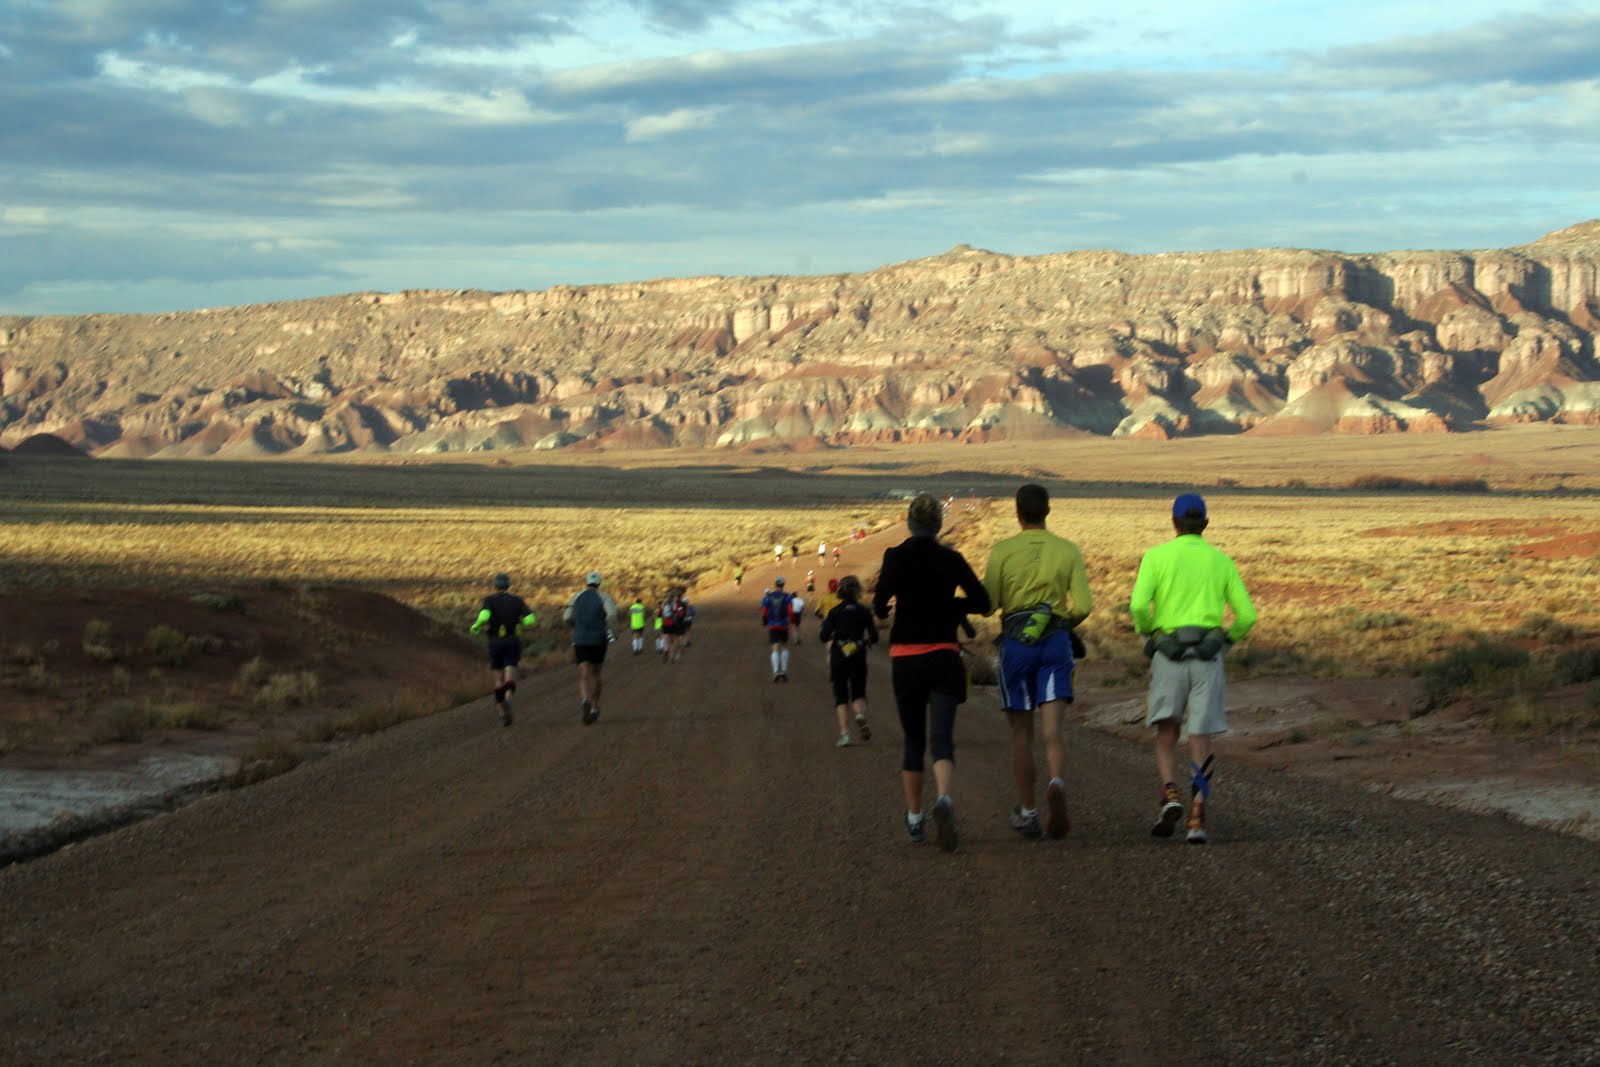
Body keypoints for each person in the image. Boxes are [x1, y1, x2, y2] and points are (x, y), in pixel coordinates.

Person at [1130, 493, 1257, 844]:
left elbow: (1138, 605)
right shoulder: (1221, 561)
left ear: (1173, 522)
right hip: (1207, 657)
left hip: (1169, 654)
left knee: (1167, 729)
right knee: (1200, 735)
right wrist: (1226, 642)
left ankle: (1170, 792)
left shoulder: (1156, 557)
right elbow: (1247, 616)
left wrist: (1151, 635)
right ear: (1205, 523)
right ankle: (1197, 817)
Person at [874, 493, 991, 852]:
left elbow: (879, 604)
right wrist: (951, 604)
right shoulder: (951, 559)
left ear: (909, 522)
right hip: (943, 656)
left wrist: (892, 607)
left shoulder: (895, 556)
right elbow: (984, 602)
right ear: (939, 524)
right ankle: (943, 798)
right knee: (941, 737)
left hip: (906, 658)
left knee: (913, 739)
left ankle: (914, 818)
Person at [982, 484, 1093, 841]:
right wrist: (1059, 621)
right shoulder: (1067, 550)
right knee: (1052, 731)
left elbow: (989, 604)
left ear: (1017, 513)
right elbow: (1084, 606)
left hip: (1017, 645)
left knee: (1021, 734)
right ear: (1048, 510)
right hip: (1056, 642)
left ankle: (1028, 812)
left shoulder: (1002, 551)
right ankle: (1056, 781)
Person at [469, 572, 537, 726]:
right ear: (508, 585)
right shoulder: (517, 600)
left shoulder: (489, 600)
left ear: (495, 585)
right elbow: (531, 619)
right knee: (510, 672)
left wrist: (477, 626)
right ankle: (508, 700)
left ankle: (501, 714)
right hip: (512, 640)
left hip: (495, 641)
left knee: (498, 678)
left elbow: (485, 616)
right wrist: (521, 624)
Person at [818, 574, 878, 747]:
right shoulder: (864, 611)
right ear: (857, 590)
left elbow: (823, 636)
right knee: (858, 692)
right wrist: (864, 641)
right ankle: (859, 714)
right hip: (858, 655)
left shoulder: (834, 612)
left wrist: (835, 635)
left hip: (839, 656)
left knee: (841, 697)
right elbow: (874, 636)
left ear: (841, 591)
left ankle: (845, 735)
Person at [562, 570, 618, 725]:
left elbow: (566, 617)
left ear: (586, 582)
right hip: (598, 638)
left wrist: (574, 626)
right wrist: (613, 632)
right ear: (599, 583)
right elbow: (612, 615)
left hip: (580, 639)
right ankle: (594, 708)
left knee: (583, 672)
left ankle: (584, 699)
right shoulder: (604, 597)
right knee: (596, 673)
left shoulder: (577, 596)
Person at [761, 577, 798, 682]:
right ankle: (784, 671)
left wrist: (765, 620)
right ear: (783, 585)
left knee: (775, 647)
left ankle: (776, 671)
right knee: (784, 646)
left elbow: (764, 611)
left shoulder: (768, 597)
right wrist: (792, 620)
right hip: (783, 625)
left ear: (775, 585)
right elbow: (790, 611)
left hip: (772, 625)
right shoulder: (788, 597)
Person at [660, 586, 690, 663]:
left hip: (665, 624)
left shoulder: (663, 604)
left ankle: (666, 650)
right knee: (674, 641)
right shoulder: (676, 604)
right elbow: (681, 613)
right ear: (673, 597)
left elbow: (659, 613)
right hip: (674, 624)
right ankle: (672, 657)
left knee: (666, 639)